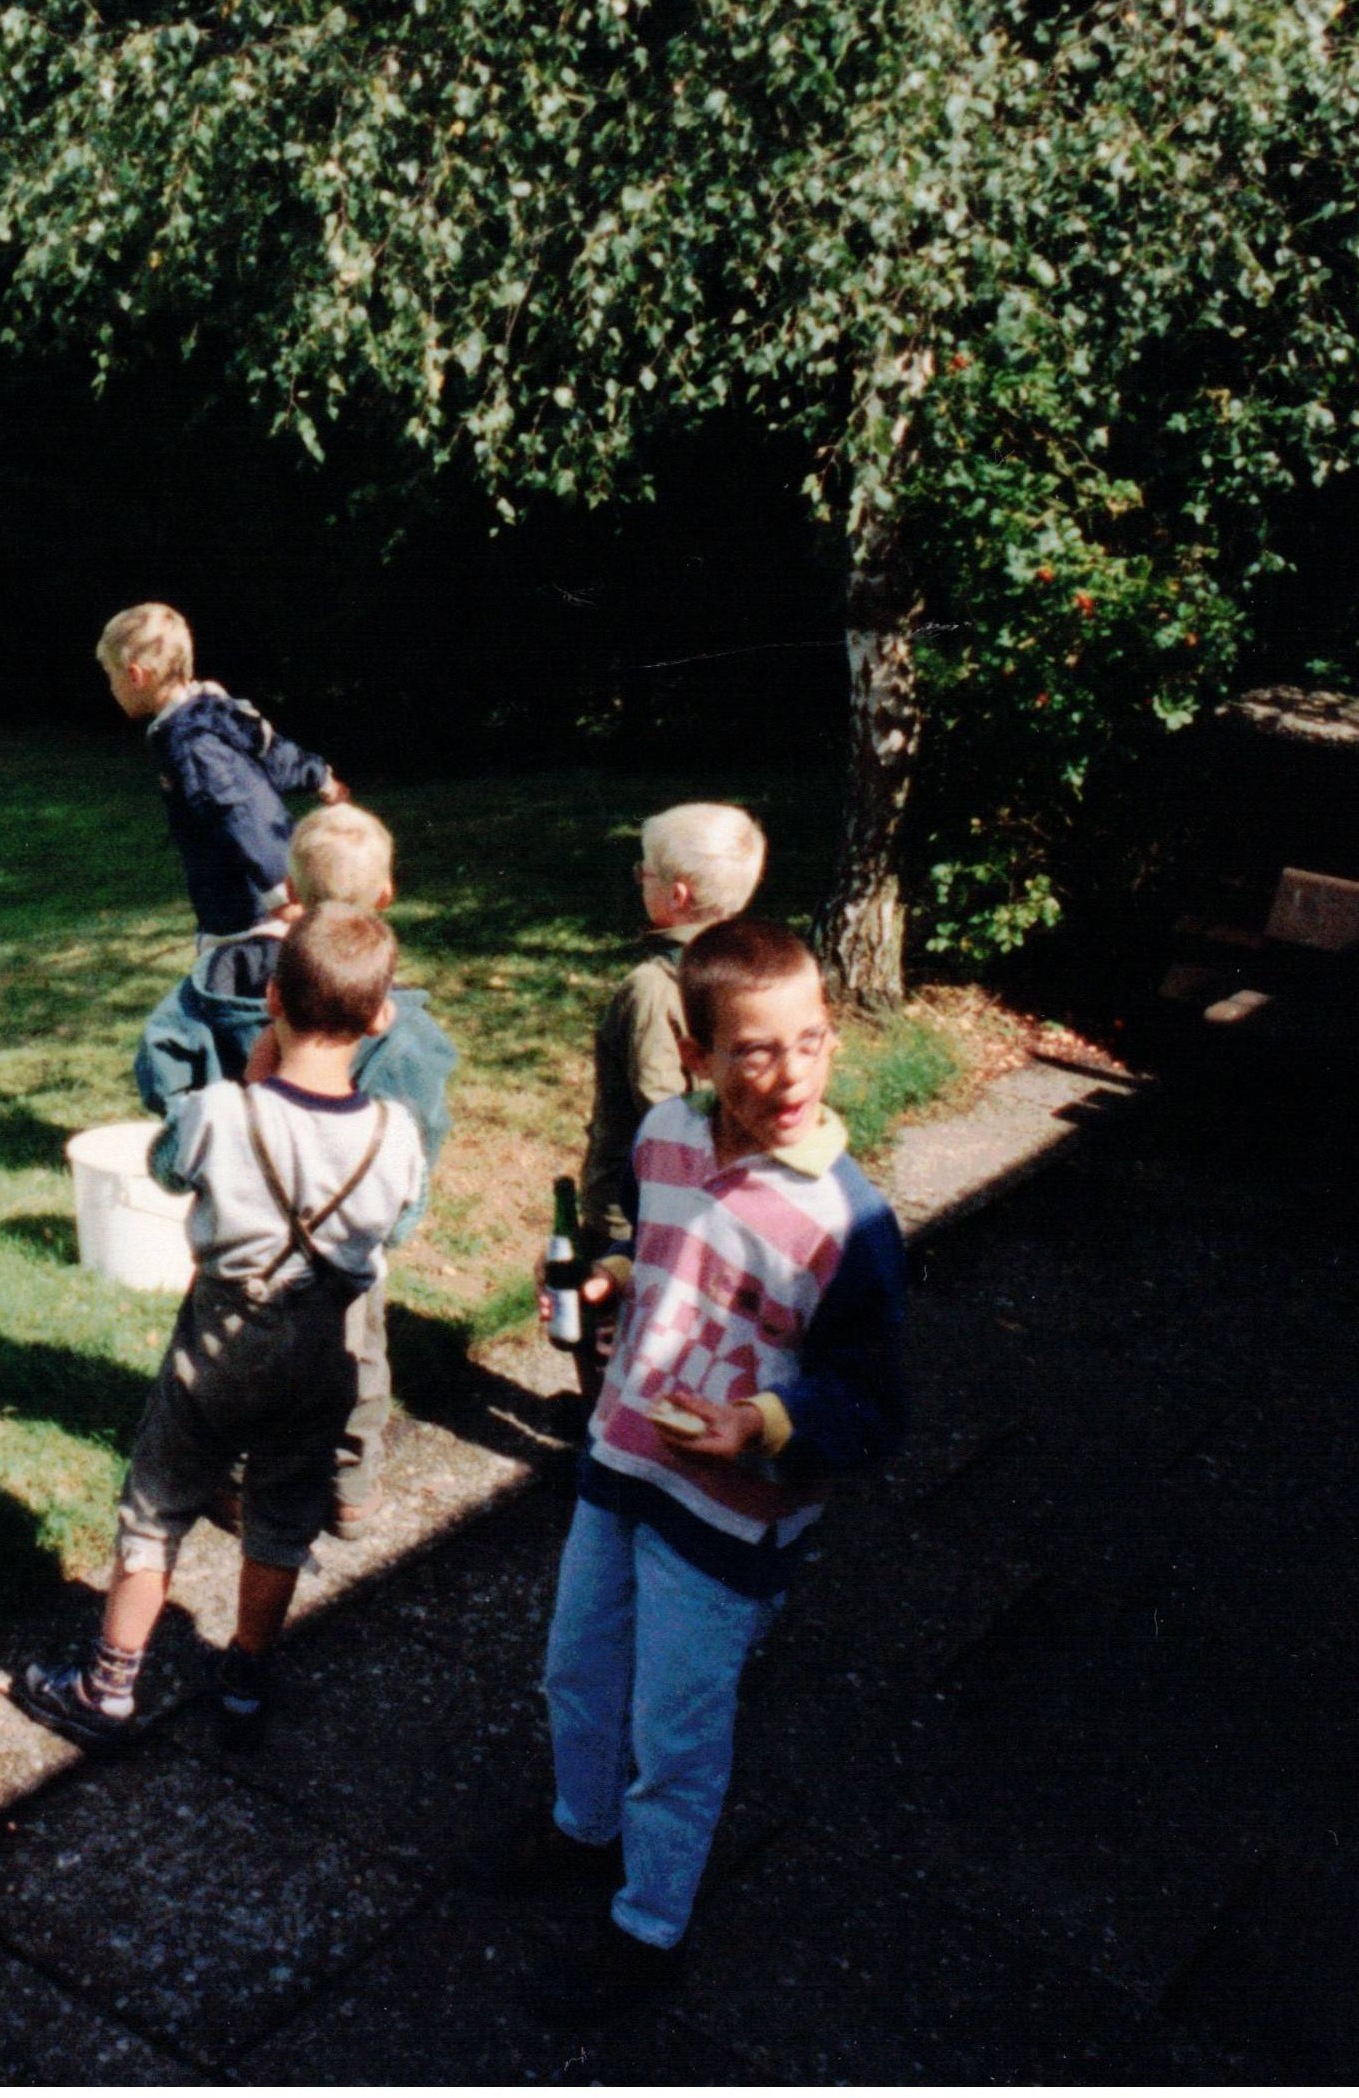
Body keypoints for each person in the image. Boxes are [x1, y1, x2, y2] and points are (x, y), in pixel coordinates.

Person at [475, 916, 907, 2023]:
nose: (790, 1073)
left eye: (808, 1041)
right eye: (754, 1050)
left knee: (675, 1730)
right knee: (576, 1669)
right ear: (694, 1056)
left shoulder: (846, 1223)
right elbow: (669, 1248)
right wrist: (620, 1277)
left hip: (728, 1510)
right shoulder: (665, 1133)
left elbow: (873, 1404)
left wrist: (760, 1423)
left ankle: (648, 1926)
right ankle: (582, 1829)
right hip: (624, 1456)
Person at [16, 905, 427, 1756]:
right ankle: (245, 1676)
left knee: (157, 1503)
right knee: (282, 1515)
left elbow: (167, 1168)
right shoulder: (396, 1135)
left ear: (271, 999)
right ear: (380, 1018)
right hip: (325, 1354)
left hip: (216, 1347)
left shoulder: (216, 1112)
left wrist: (247, 1080)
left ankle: (107, 1686)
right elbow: (399, 1226)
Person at [134, 803, 457, 1532]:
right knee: (357, 1354)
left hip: (245, 1224)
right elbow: (422, 1129)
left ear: (288, 886)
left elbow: (160, 1060)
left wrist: (203, 1120)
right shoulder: (393, 1017)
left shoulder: (224, 980)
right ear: (385, 894)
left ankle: (236, 1480)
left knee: (227, 1351)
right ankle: (351, 1486)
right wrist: (389, 1217)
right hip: (349, 1237)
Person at [577, 802, 768, 1261]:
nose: (639, 878)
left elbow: (660, 1109)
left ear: (677, 895)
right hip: (725, 1194)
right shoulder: (751, 969)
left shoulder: (652, 988)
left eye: (644, 872)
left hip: (638, 1209)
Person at [96, 602, 350, 942]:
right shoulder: (213, 712)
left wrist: (282, 898)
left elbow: (243, 813)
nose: (111, 687)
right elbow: (271, 751)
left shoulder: (191, 747)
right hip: (260, 906)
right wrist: (320, 777)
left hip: (248, 923)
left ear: (135, 676)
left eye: (110, 675)